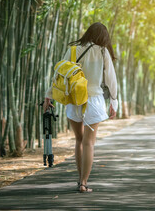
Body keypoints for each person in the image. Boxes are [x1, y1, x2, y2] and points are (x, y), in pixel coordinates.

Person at [43, 22, 118, 193]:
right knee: (89, 142)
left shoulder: (73, 49)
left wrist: (49, 95)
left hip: (74, 99)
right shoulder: (102, 51)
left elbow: (59, 75)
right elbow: (111, 79)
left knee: (79, 140)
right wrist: (114, 101)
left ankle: (79, 180)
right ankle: (84, 182)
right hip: (93, 100)